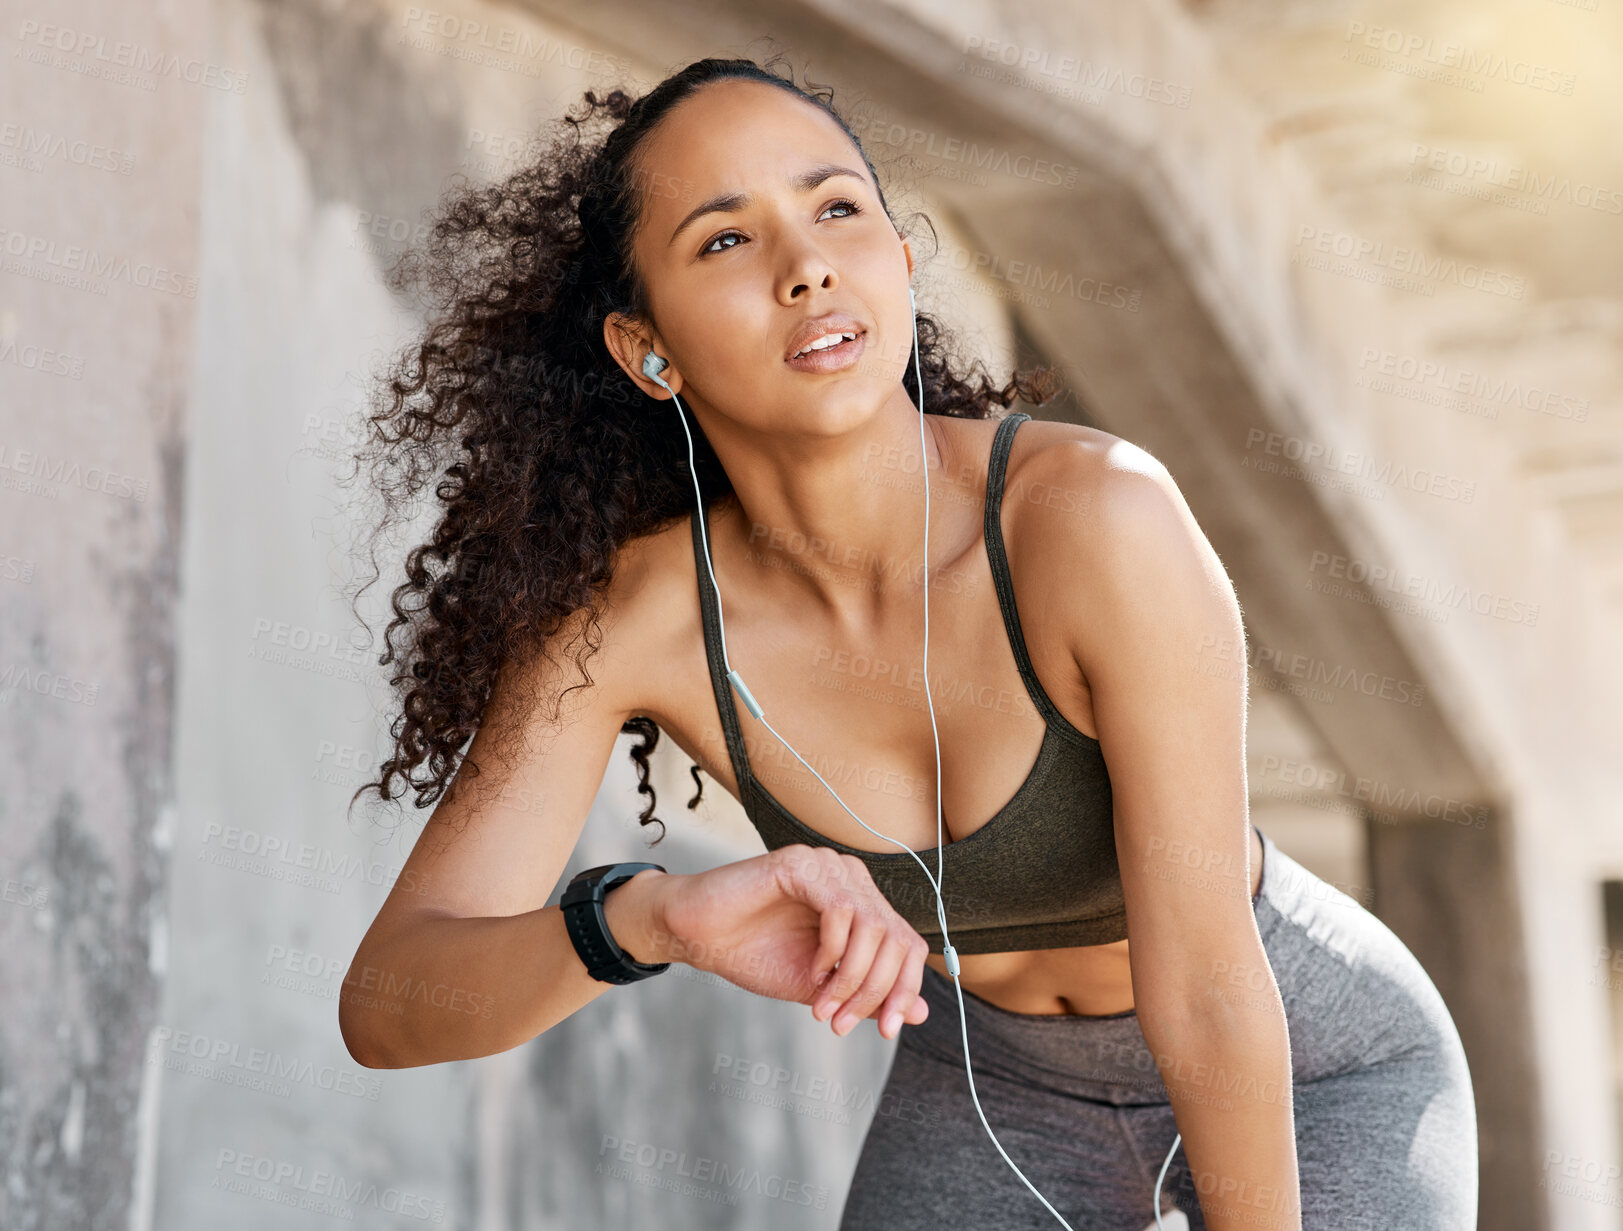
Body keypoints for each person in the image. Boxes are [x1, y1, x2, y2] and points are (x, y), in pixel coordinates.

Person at [337, 53, 1479, 1231]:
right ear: (649, 350)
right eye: (726, 240)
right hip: (989, 1084)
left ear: (900, 255)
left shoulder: (1094, 521)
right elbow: (392, 1002)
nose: (807, 265)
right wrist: (654, 917)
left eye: (838, 208)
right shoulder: (633, 619)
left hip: (1303, 1058)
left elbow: (1202, 987)